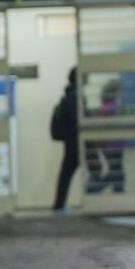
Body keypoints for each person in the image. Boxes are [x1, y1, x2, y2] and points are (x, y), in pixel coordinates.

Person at [53, 68, 80, 211]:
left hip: (70, 141)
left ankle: (59, 204)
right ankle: (59, 204)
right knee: (67, 173)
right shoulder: (76, 96)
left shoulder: (69, 94)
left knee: (66, 173)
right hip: (76, 141)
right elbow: (76, 119)